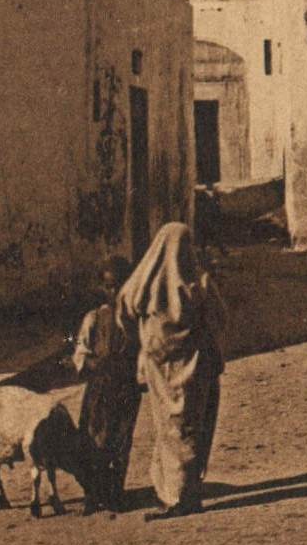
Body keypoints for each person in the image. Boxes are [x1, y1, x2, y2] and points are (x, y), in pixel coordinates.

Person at [116, 222, 226, 520]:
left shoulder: (142, 282)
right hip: (194, 366)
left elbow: (123, 314)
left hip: (158, 367)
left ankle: (171, 492)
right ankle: (185, 493)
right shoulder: (200, 283)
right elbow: (219, 317)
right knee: (190, 427)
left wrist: (145, 340)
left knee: (167, 427)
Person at [72, 256, 140, 514]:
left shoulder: (135, 318)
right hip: (99, 389)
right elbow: (81, 351)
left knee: (121, 439)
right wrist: (94, 365)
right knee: (93, 438)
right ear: (103, 288)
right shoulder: (94, 317)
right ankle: (92, 492)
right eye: (110, 287)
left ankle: (115, 491)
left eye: (119, 286)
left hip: (125, 387)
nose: (115, 292)